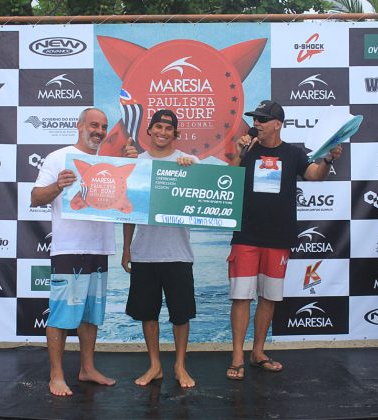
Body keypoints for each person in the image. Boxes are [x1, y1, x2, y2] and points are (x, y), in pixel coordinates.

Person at [226, 100, 342, 380]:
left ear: (278, 123)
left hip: (278, 237)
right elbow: (228, 178)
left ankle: (258, 352)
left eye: (263, 120)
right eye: (255, 119)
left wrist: (327, 159)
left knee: (269, 297)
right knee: (241, 296)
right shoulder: (248, 150)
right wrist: (240, 153)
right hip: (246, 234)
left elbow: (314, 176)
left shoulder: (293, 153)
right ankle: (237, 356)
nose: (257, 124)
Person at [31, 107, 137, 396]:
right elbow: (35, 196)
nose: (99, 131)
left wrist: (134, 168)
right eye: (93, 125)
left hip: (100, 247)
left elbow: (129, 198)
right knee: (61, 315)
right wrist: (57, 185)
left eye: (103, 127)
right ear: (79, 126)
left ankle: (87, 369)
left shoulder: (108, 162)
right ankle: (56, 375)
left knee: (91, 315)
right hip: (69, 249)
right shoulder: (58, 157)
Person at [121, 109, 198, 388]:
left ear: (175, 134)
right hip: (145, 252)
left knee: (181, 314)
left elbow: (206, 199)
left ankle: (179, 366)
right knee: (147, 313)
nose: (163, 132)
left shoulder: (189, 162)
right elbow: (127, 211)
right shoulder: (135, 163)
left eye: (169, 128)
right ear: (149, 131)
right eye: (158, 127)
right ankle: (155, 365)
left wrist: (194, 174)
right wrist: (126, 249)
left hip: (179, 253)